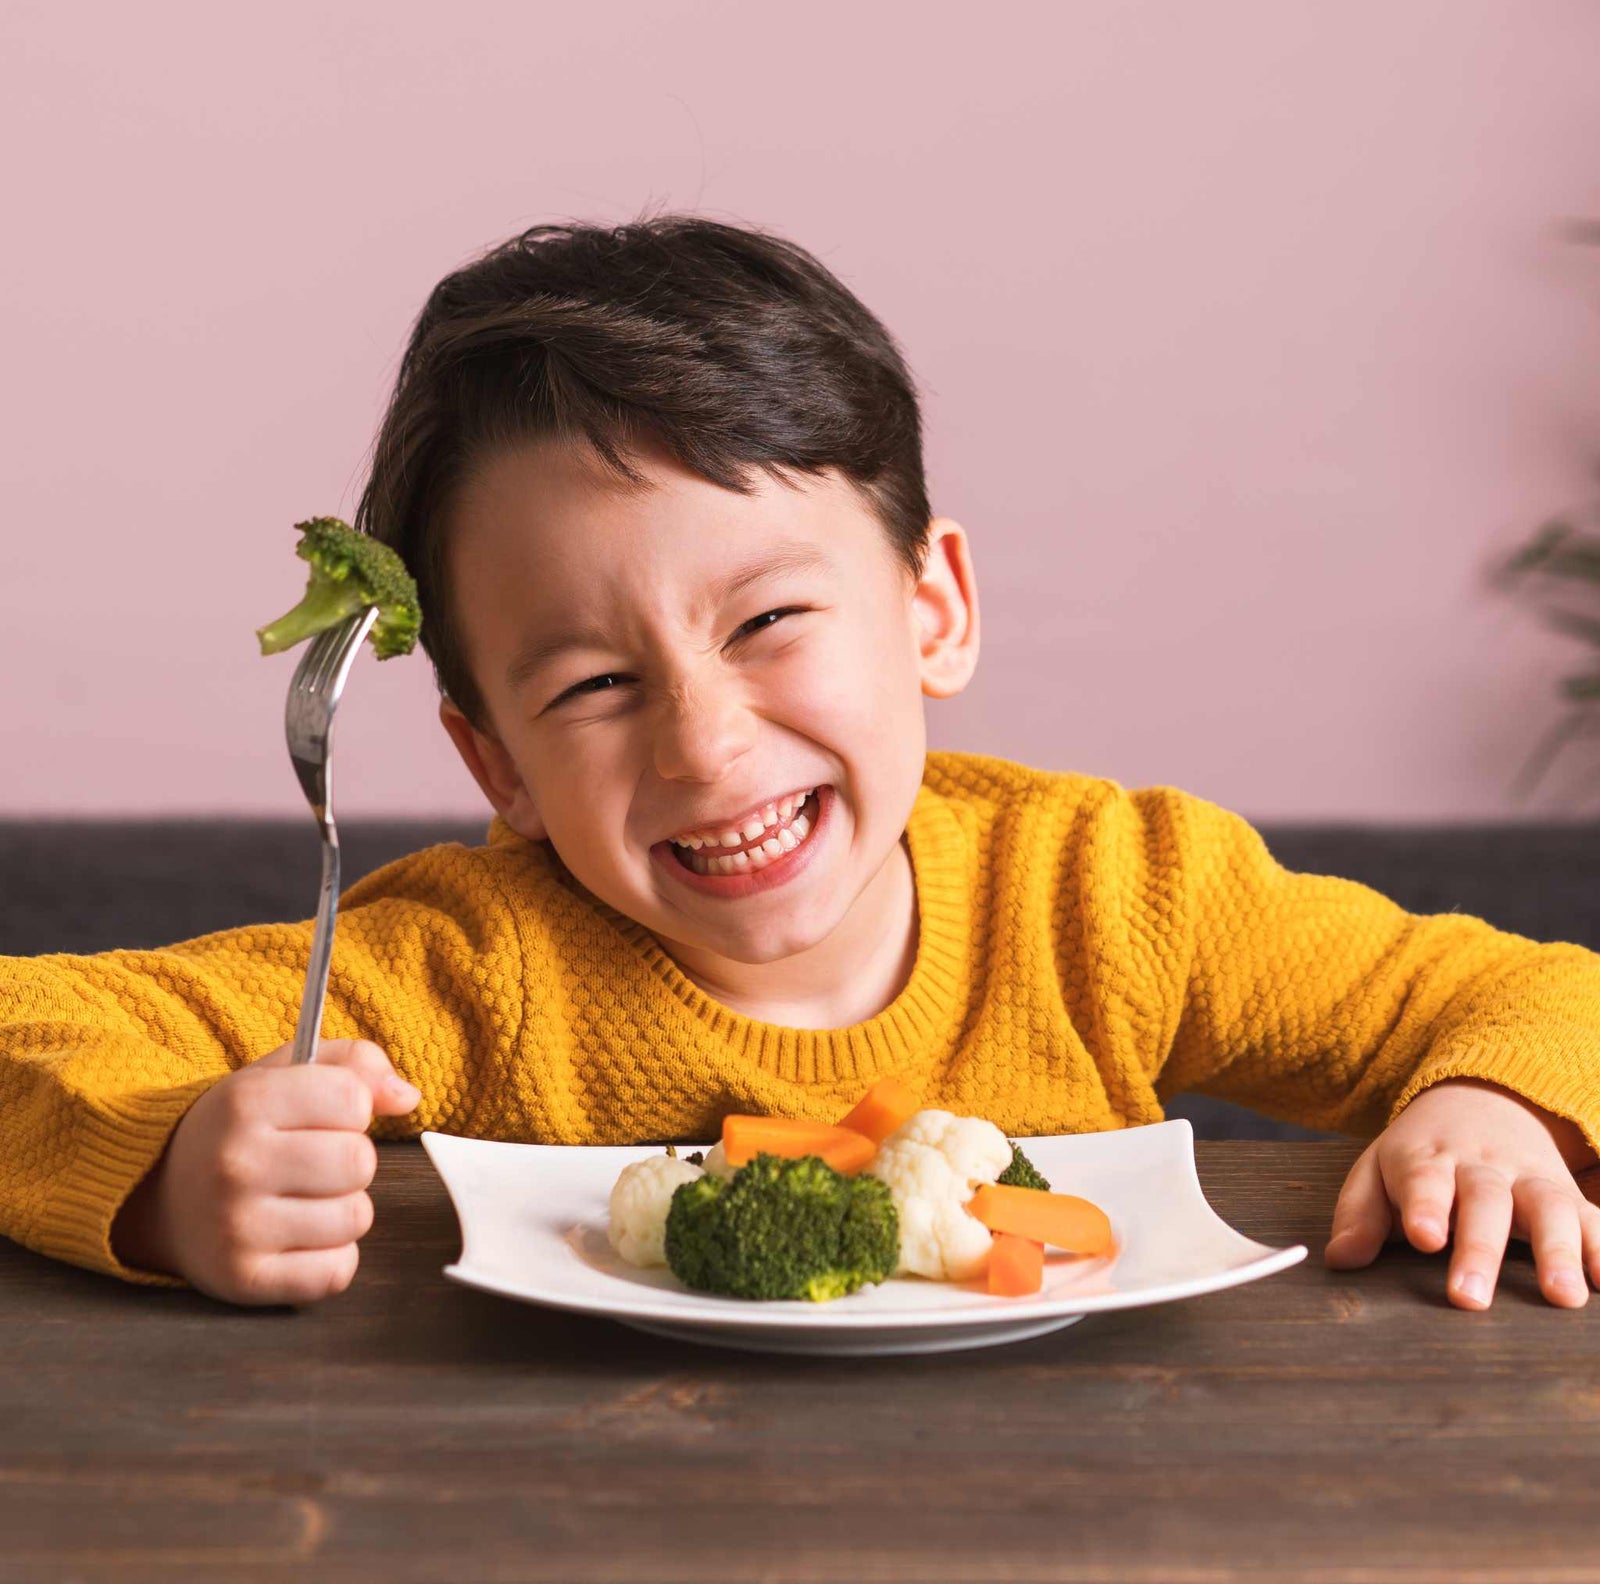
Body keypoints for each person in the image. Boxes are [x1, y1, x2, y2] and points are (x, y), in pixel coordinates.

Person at [3, 215, 1597, 1313]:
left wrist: (1489, 1105)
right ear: (492, 762)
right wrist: (166, 1175)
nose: (705, 741)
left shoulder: (1113, 894)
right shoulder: (465, 977)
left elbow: (1540, 995)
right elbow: (27, 1032)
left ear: (934, 612)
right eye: (598, 684)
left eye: (768, 619)